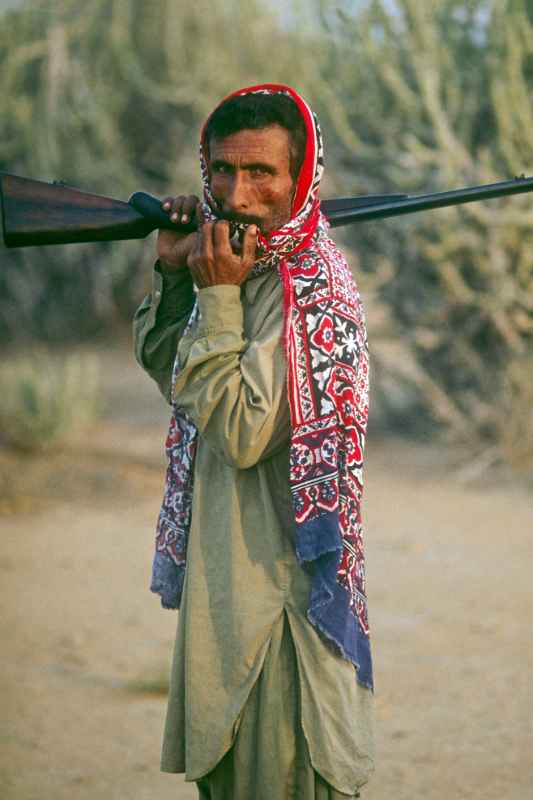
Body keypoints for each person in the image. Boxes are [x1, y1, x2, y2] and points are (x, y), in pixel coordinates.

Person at [133, 84, 374, 800]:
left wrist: (217, 296)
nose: (237, 195)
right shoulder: (243, 264)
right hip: (228, 600)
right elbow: (179, 378)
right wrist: (177, 275)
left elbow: (240, 431)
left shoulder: (314, 293)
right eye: (222, 171)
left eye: (262, 172)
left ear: (300, 177)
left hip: (281, 619)